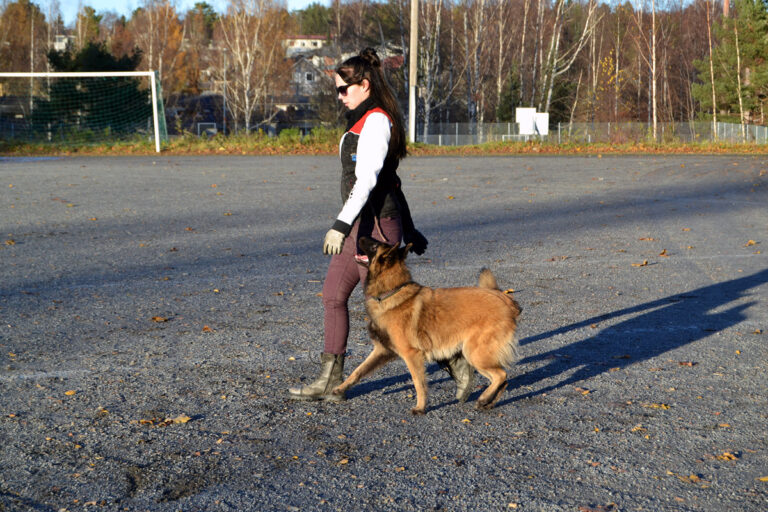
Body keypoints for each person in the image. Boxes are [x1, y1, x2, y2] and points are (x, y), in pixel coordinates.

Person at [288, 48, 474, 403]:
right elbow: (393, 180)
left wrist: (340, 225)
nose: (339, 96)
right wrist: (409, 227)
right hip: (362, 224)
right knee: (333, 296)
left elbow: (371, 179)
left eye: (344, 89)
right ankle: (330, 379)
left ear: (365, 85)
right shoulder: (361, 119)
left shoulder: (375, 120)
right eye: (337, 90)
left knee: (394, 315)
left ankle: (454, 362)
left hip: (374, 230)